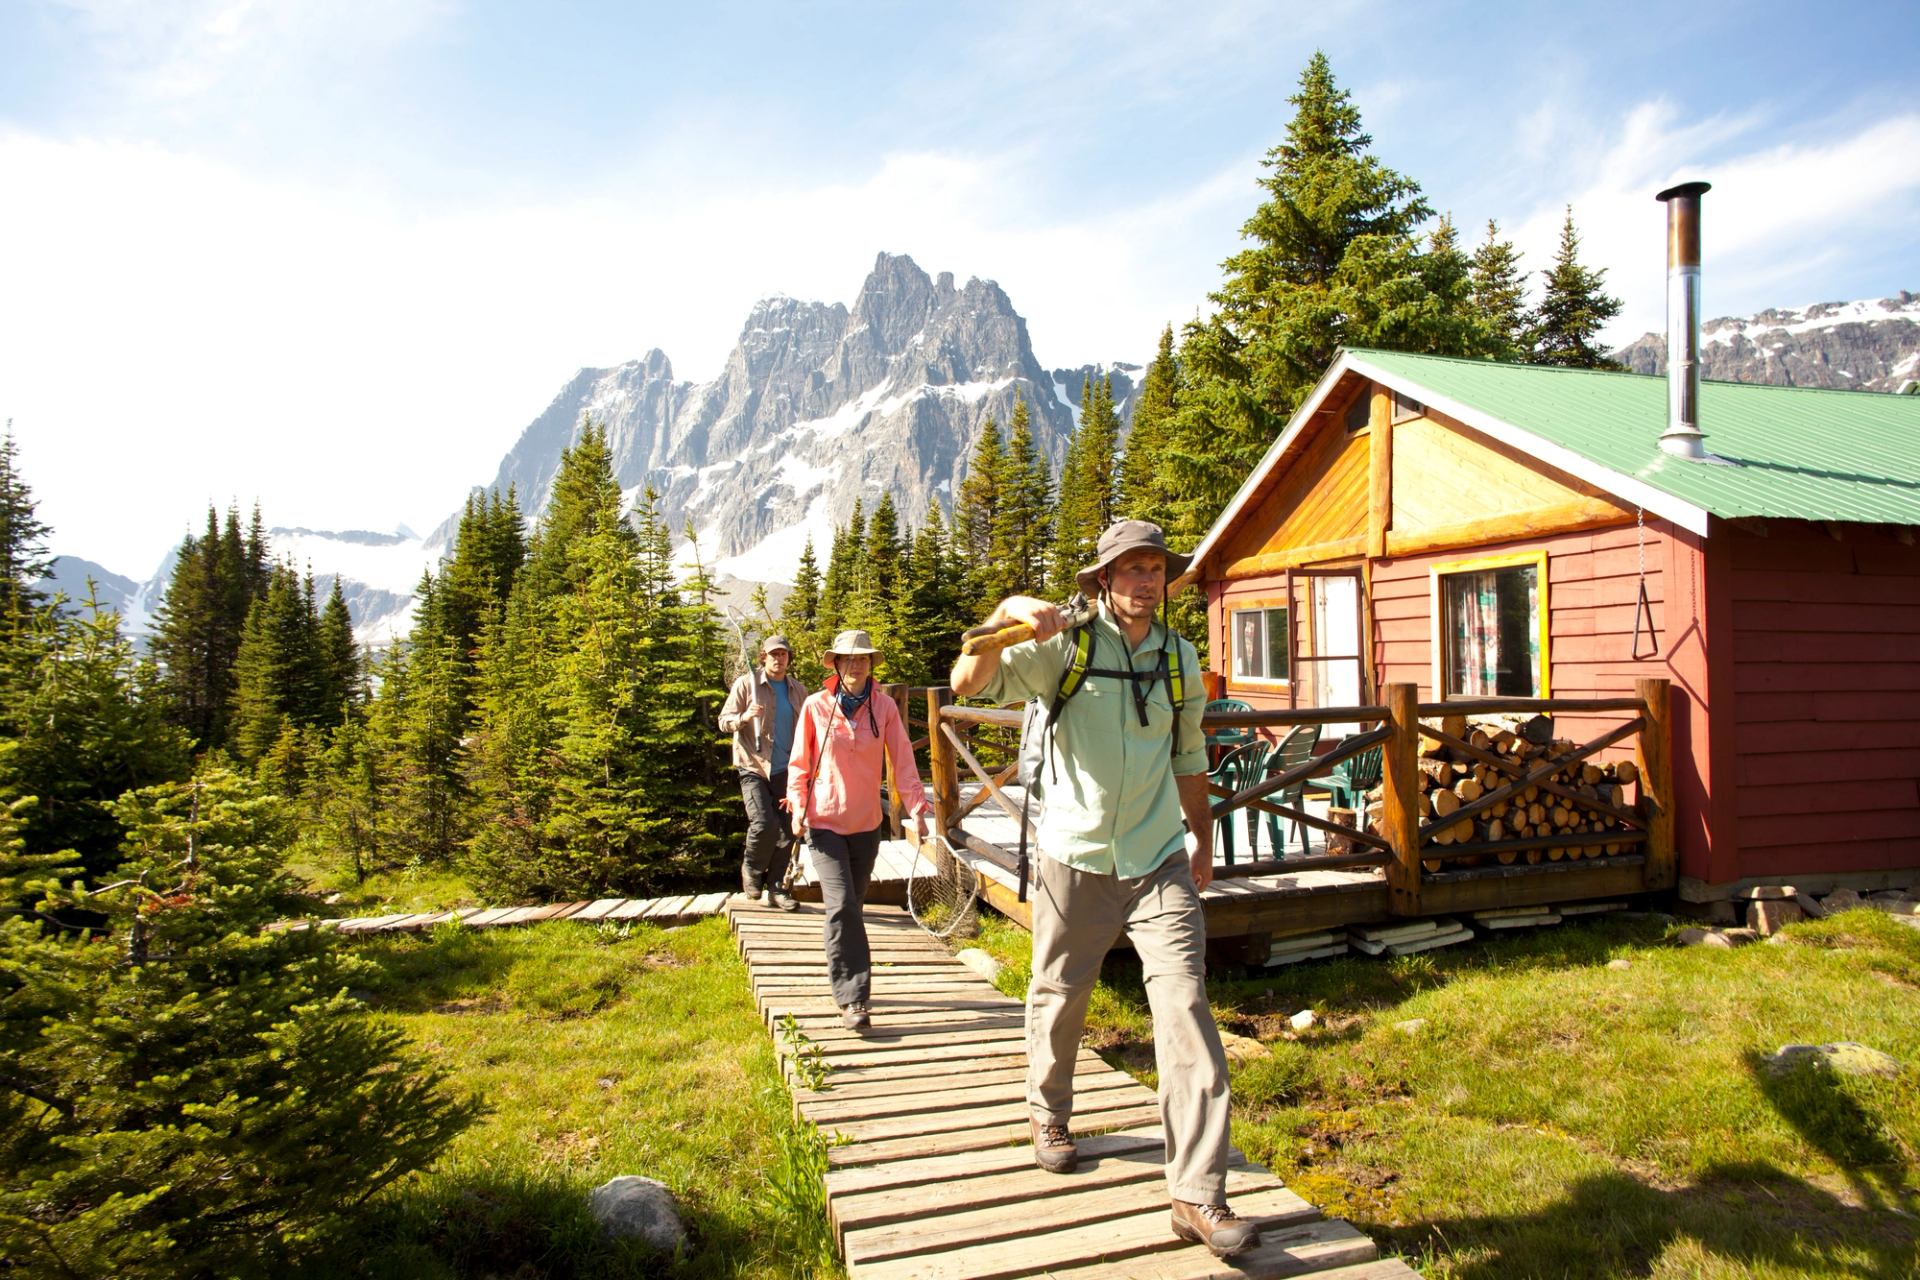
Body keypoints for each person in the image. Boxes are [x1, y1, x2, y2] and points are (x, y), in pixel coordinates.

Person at [949, 519, 1259, 1261]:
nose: (1147, 581)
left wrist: (1203, 840)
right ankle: (1048, 1114)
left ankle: (1197, 1194)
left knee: (1185, 1005)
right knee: (1060, 991)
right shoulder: (1065, 644)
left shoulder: (1180, 658)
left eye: (1156, 569)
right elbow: (967, 678)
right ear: (1105, 579)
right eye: (1132, 569)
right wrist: (1009, 614)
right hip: (1075, 857)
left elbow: (1189, 755)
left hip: (1157, 861)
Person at [787, 629, 933, 1031]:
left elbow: (903, 758)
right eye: (849, 659)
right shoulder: (817, 707)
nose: (856, 665)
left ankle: (847, 973)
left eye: (863, 659)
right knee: (841, 906)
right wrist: (798, 807)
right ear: (835, 663)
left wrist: (918, 808)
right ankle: (854, 998)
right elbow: (799, 763)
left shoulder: (883, 707)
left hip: (867, 824)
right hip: (824, 822)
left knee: (853, 905)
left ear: (871, 664)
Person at [718, 633, 810, 911]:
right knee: (762, 824)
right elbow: (724, 721)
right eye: (773, 655)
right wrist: (744, 718)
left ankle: (778, 888)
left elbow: (808, 729)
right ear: (763, 657)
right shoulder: (747, 685)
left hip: (788, 770)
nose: (778, 659)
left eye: (782, 654)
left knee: (787, 831)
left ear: (788, 658)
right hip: (754, 766)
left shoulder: (798, 690)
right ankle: (752, 869)